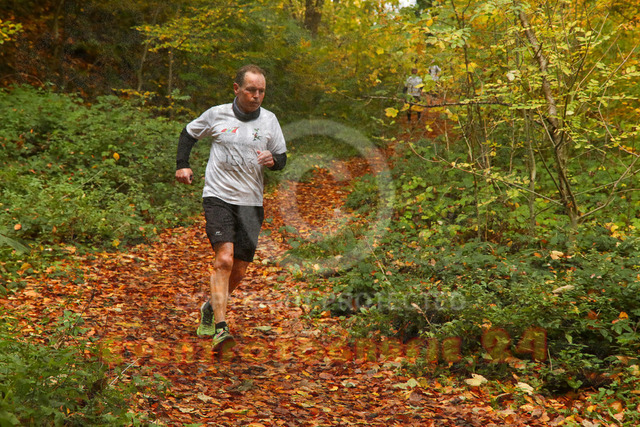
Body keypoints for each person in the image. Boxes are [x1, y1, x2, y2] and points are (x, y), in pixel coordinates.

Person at [175, 64, 287, 351]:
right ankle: (221, 328)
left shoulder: (270, 120)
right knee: (224, 259)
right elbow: (188, 134)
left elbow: (282, 158)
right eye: (251, 90)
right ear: (236, 89)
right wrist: (182, 164)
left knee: (239, 269)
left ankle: (210, 307)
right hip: (218, 197)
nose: (256, 96)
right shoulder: (217, 114)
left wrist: (273, 161)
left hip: (251, 202)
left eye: (261, 91)